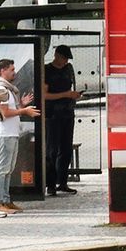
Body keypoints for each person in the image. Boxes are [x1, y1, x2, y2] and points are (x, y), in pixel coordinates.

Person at [0, 58, 39, 217]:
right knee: (2, 169)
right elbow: (5, 113)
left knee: (8, 169)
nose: (14, 73)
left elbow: (11, 110)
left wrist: (21, 105)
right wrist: (24, 111)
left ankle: (6, 199)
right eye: (11, 70)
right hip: (5, 134)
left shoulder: (8, 89)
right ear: (2, 70)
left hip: (11, 133)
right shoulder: (1, 89)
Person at [40, 44, 79, 194]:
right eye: (64, 58)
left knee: (66, 149)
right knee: (52, 149)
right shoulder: (47, 70)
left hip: (67, 113)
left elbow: (70, 88)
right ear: (56, 55)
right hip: (52, 114)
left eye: (67, 59)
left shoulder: (68, 69)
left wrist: (73, 95)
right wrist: (66, 94)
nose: (65, 61)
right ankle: (50, 184)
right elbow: (44, 95)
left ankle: (62, 182)